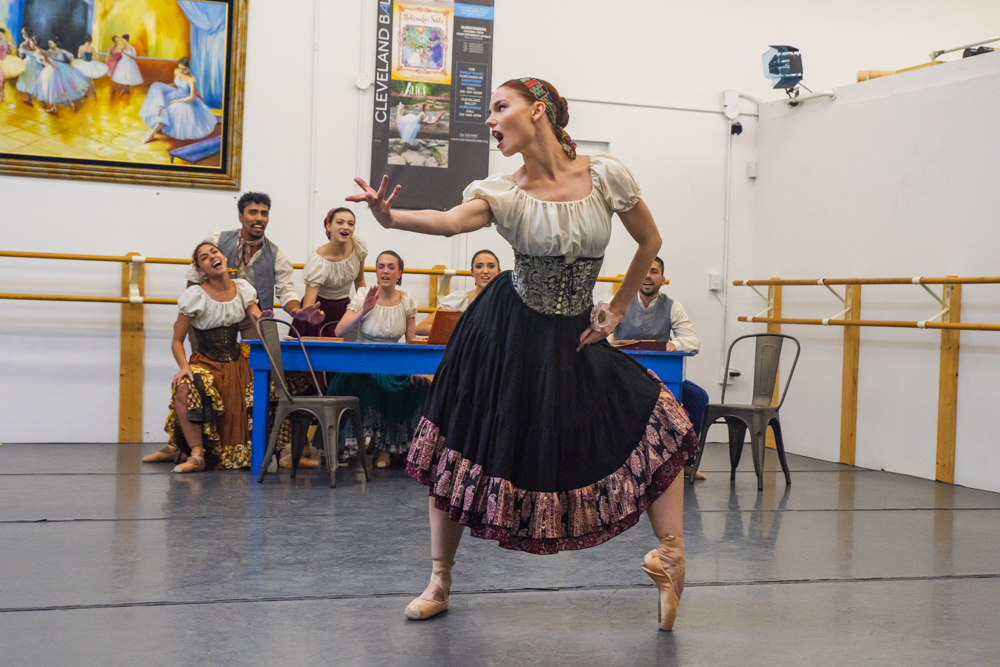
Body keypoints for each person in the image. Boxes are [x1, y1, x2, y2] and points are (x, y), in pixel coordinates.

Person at [348, 77, 698, 630]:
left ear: (538, 111)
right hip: (503, 333)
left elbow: (649, 242)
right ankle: (439, 578)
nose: (490, 120)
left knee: (661, 415)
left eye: (500, 107)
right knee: (460, 441)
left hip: (573, 335)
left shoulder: (605, 175)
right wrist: (393, 219)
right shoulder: (502, 191)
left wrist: (616, 310)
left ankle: (671, 557)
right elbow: (451, 222)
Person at [143, 192, 323, 465]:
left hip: (250, 310)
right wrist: (199, 306)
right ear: (241, 216)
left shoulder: (276, 254)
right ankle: (181, 446)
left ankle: (287, 450)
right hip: (209, 316)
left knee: (269, 374)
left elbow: (286, 291)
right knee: (199, 380)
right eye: (253, 212)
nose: (259, 218)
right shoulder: (216, 241)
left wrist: (297, 311)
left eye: (264, 213)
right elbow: (193, 279)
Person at [164, 242, 270, 473]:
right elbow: (176, 341)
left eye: (214, 252)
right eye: (204, 257)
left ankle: (275, 451)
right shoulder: (195, 295)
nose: (212, 257)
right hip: (206, 362)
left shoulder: (242, 288)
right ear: (201, 270)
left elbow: (261, 323)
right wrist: (184, 367)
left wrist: (269, 321)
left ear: (224, 257)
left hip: (238, 361)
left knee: (273, 382)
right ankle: (197, 455)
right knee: (184, 388)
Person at [327, 251, 427, 469]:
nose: (385, 271)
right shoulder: (364, 294)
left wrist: (417, 367)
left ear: (399, 273)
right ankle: (358, 446)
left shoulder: (407, 300)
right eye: (381, 266)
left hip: (393, 362)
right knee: (367, 384)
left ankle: (388, 450)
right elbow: (339, 330)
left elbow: (411, 339)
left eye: (391, 267)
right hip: (363, 361)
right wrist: (364, 309)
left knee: (418, 386)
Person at [613, 257, 710, 480]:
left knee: (698, 397)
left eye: (654, 272)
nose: (648, 276)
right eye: (644, 271)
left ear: (662, 280)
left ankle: (685, 464)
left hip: (661, 378)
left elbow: (693, 341)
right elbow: (600, 331)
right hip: (624, 378)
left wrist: (675, 344)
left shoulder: (673, 306)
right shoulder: (618, 302)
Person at [297, 207, 367, 338]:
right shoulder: (318, 261)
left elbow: (359, 280)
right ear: (328, 226)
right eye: (340, 222)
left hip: (344, 308)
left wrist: (363, 306)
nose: (345, 227)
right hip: (320, 309)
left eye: (350, 224)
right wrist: (312, 317)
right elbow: (309, 305)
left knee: (344, 349)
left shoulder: (359, 245)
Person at [415, 249, 500, 336]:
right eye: (479, 266)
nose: (485, 271)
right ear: (472, 272)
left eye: (491, 266)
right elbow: (420, 328)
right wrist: (458, 330)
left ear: (499, 272)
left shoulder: (505, 303)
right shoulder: (457, 300)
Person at [140, 57, 218, 143]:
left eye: (185, 69)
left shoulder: (191, 79)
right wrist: (163, 87)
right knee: (156, 86)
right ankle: (160, 110)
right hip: (176, 93)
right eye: (180, 68)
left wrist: (176, 101)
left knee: (169, 110)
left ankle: (151, 134)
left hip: (185, 100)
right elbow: (175, 85)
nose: (182, 71)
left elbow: (192, 97)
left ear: (189, 68)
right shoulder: (177, 71)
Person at [32, 39, 89, 114]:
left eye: (51, 43)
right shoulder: (48, 51)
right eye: (49, 43)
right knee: (55, 88)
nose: (49, 45)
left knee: (64, 85)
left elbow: (70, 56)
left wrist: (68, 65)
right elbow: (46, 58)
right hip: (53, 68)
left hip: (55, 68)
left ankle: (71, 103)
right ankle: (55, 108)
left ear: (55, 44)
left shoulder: (59, 51)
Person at [0, 27, 26, 103]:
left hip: (4, 61)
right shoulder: (6, 42)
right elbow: (10, 51)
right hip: (3, 61)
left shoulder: (7, 42)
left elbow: (11, 52)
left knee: (3, 80)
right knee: (2, 80)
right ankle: (2, 95)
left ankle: (2, 95)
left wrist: (7, 52)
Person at [16, 30, 42, 104]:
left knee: (28, 80)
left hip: (29, 62)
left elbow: (21, 55)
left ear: (24, 34)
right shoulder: (34, 40)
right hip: (36, 63)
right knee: (33, 79)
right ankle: (31, 98)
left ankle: (30, 98)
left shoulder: (23, 44)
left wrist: (21, 51)